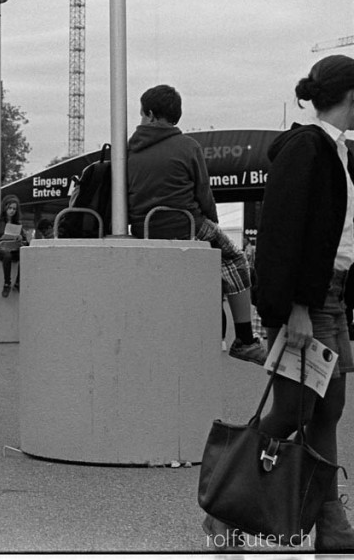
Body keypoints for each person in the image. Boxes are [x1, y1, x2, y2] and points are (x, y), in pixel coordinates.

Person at [208, 55, 354, 551]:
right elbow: (282, 234)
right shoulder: (307, 147)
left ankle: (330, 521)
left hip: (330, 297)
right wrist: (293, 307)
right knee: (292, 409)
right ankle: (224, 508)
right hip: (308, 302)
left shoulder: (335, 150)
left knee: (328, 406)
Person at [126, 84, 267, 365]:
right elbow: (204, 194)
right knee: (235, 260)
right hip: (185, 224)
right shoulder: (189, 147)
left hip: (144, 228)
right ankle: (244, 339)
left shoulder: (129, 150)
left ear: (151, 115)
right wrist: (212, 223)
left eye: (142, 114)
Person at [0, 195, 30, 297]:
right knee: (7, 256)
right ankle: (7, 283)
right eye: (10, 208)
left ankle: (18, 282)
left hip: (13, 247)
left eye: (14, 209)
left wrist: (21, 239)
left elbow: (26, 241)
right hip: (1, 248)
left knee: (24, 255)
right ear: (5, 208)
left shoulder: (17, 223)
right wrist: (1, 239)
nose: (12, 211)